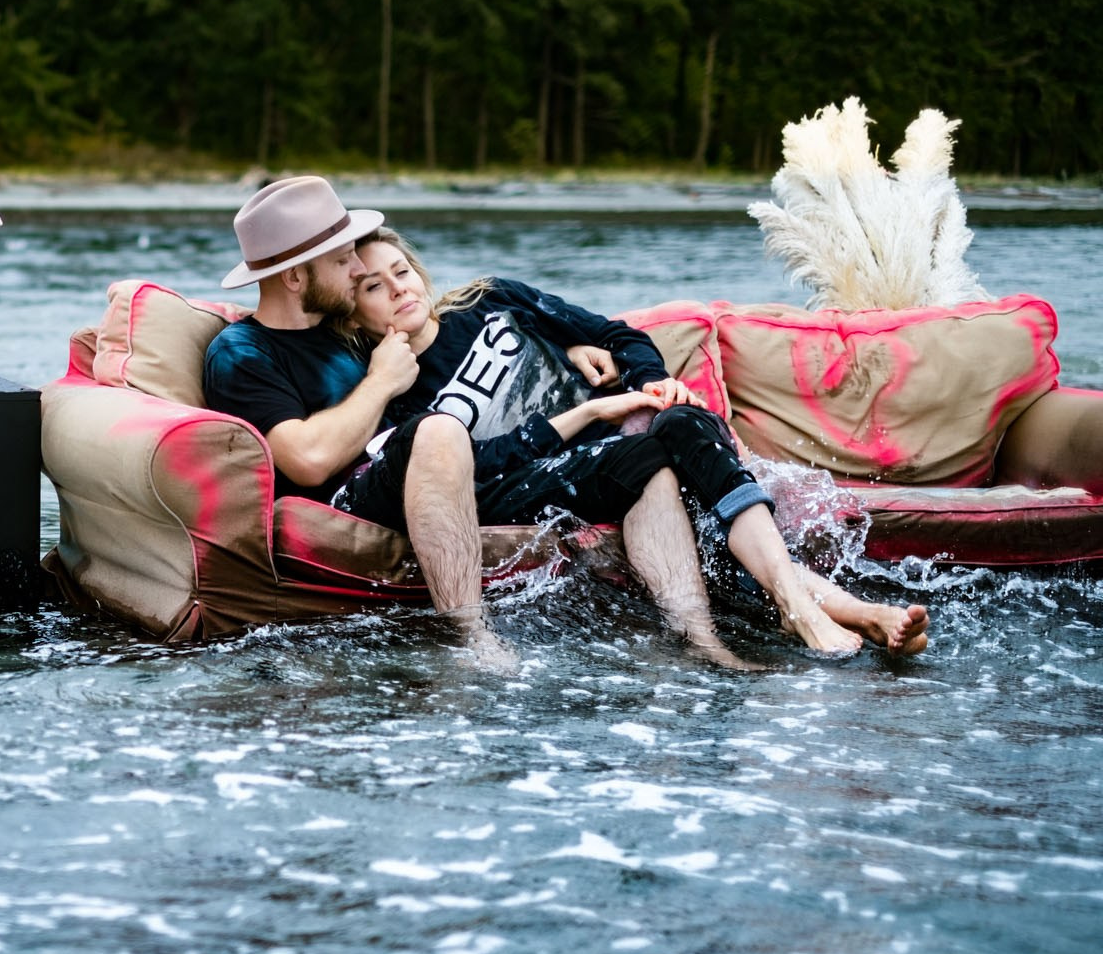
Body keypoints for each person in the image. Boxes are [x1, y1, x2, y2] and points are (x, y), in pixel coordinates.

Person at [337, 227, 929, 660]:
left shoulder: (492, 301)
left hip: (623, 448)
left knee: (684, 424)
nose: (396, 289)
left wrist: (652, 382)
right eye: (372, 286)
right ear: (354, 314)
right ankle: (847, 612)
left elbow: (613, 334)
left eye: (401, 271)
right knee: (674, 466)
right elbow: (467, 468)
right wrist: (588, 411)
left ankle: (813, 609)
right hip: (550, 479)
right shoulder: (389, 387)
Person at [202, 175, 525, 667]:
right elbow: (307, 460)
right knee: (437, 430)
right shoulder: (243, 353)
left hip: (431, 474)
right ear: (293, 278)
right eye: (340, 260)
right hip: (339, 498)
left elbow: (443, 340)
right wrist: (380, 382)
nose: (357, 269)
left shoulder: (344, 327)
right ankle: (470, 636)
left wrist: (573, 346)